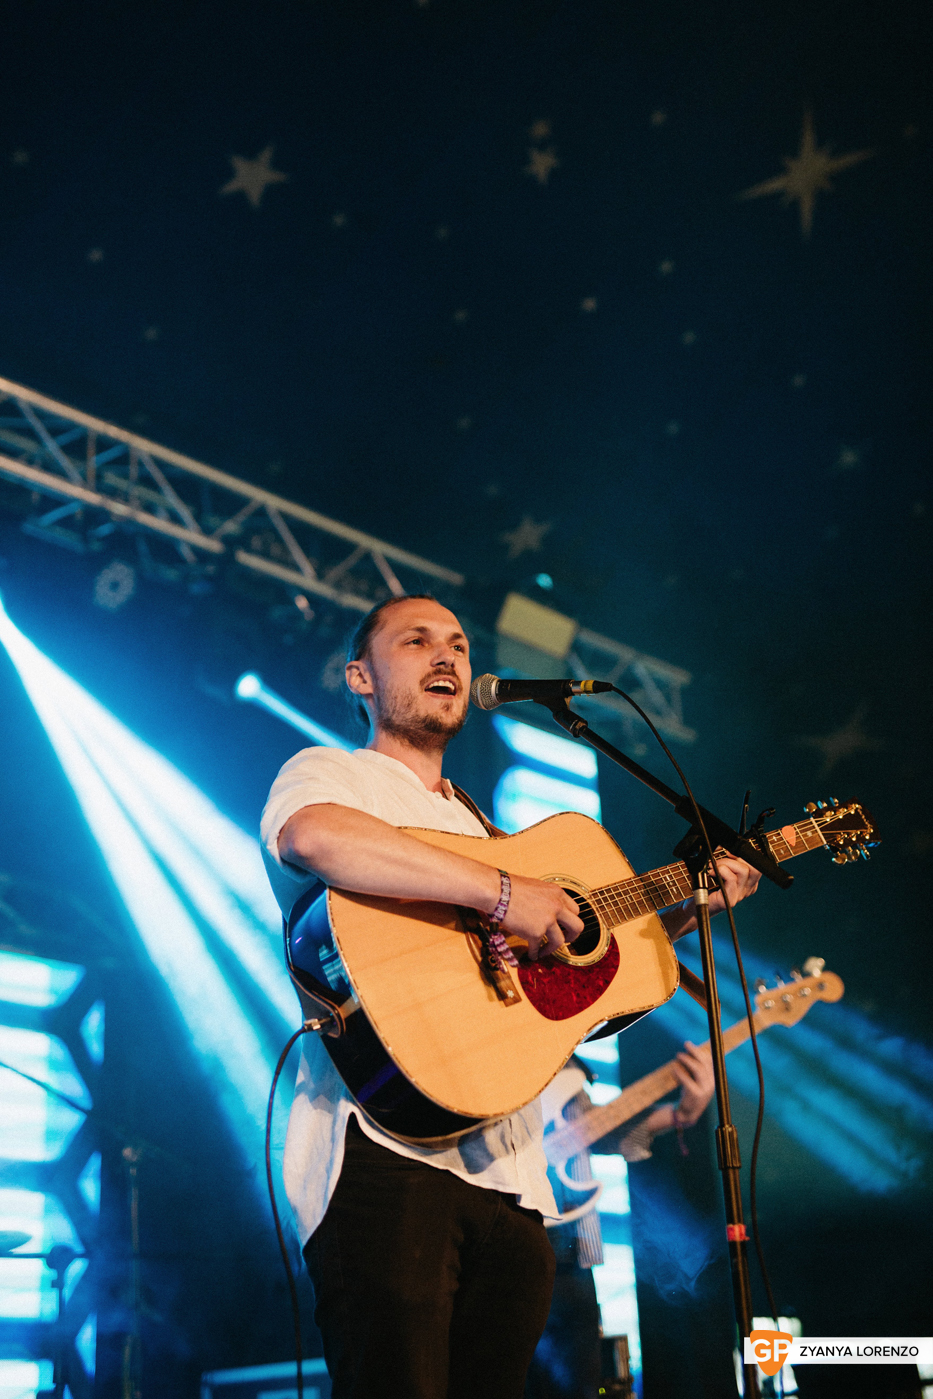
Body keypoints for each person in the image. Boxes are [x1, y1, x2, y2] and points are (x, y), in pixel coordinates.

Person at [259, 593, 761, 1399]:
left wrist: (683, 908)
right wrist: (501, 894)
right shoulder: (333, 774)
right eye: (415, 639)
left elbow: (573, 985)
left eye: (457, 642)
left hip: (514, 1180)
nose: (446, 655)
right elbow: (313, 838)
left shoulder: (488, 832)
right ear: (359, 675)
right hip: (387, 1153)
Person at [525, 1041, 716, 1399]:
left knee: (577, 1386)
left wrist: (680, 1114)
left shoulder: (565, 1059)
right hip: (502, 1243)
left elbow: (591, 1130)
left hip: (573, 1252)